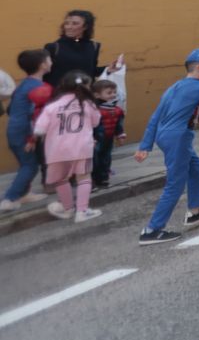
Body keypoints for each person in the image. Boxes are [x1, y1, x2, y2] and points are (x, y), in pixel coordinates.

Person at [133, 49, 199, 245]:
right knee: (175, 184)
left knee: (196, 168)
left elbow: (155, 118)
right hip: (179, 137)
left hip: (165, 136)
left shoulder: (173, 87)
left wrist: (146, 145)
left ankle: (196, 211)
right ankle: (152, 230)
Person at [29, 71, 103, 223]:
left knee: (61, 180)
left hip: (56, 150)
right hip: (82, 147)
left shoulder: (52, 106)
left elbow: (39, 130)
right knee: (84, 178)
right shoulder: (88, 104)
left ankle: (68, 209)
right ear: (86, 87)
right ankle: (82, 211)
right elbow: (96, 122)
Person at [1, 50, 53, 211]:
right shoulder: (40, 88)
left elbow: (11, 109)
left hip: (15, 130)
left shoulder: (23, 84)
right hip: (24, 132)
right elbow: (38, 115)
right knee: (30, 166)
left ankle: (24, 194)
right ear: (43, 65)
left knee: (27, 163)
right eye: (49, 59)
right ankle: (9, 199)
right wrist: (32, 138)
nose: (51, 62)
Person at [43, 9, 123, 88]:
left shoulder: (94, 46)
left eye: (75, 24)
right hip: (60, 95)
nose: (69, 27)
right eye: (66, 23)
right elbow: (43, 73)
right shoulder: (53, 47)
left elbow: (91, 71)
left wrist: (108, 69)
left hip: (85, 95)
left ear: (85, 26)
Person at [89, 79, 126, 191]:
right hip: (95, 140)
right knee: (94, 160)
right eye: (109, 93)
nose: (113, 95)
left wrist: (120, 135)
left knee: (106, 159)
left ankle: (103, 179)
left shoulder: (117, 110)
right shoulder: (93, 109)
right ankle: (92, 181)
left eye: (114, 92)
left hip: (108, 139)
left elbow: (118, 125)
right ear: (96, 94)